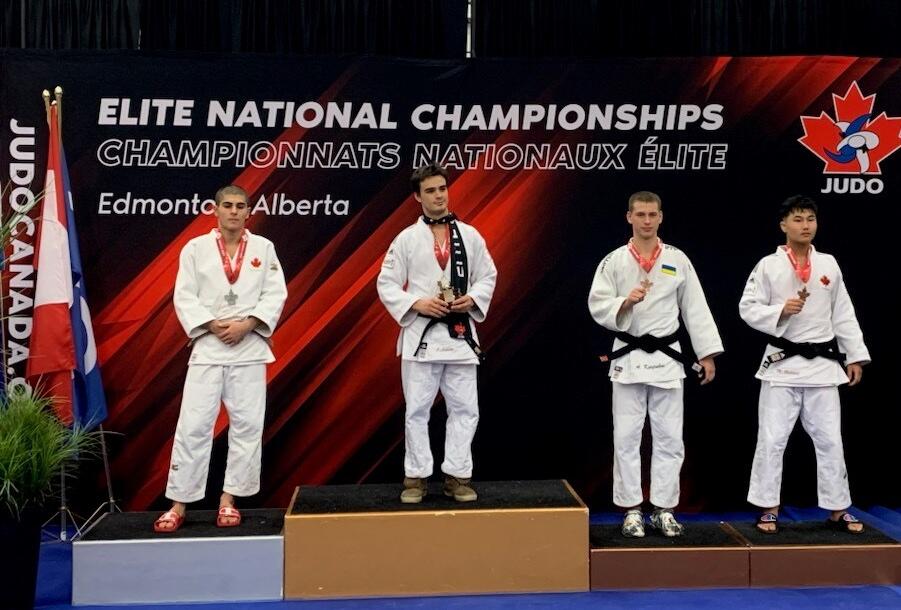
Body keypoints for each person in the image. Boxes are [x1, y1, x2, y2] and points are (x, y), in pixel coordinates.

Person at [588, 191, 723, 537]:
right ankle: (631, 509)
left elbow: (695, 307)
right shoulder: (614, 261)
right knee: (627, 437)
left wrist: (706, 353)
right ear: (628, 217)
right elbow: (597, 304)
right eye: (640, 214)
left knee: (668, 438)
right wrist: (624, 302)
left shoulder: (677, 259)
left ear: (661, 217)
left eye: (652, 215)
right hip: (628, 357)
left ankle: (664, 508)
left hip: (667, 358)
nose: (647, 221)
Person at [154, 184, 287, 532]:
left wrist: (248, 325)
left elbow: (276, 293)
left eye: (240, 206)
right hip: (209, 346)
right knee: (194, 425)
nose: (233, 211)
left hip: (249, 347)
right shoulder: (195, 249)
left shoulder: (263, 248)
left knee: (246, 426)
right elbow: (184, 295)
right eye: (227, 205)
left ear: (248, 211)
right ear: (215, 209)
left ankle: (229, 499)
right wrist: (212, 324)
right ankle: (179, 504)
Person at [739, 195, 869, 534]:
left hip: (823, 365)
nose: (805, 225)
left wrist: (853, 355)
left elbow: (843, 312)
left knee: (830, 440)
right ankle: (769, 508)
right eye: (798, 219)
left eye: (810, 219)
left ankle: (839, 509)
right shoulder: (768, 265)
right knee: (772, 438)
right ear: (784, 225)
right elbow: (747, 307)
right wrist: (780, 311)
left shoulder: (828, 263)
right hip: (782, 365)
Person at [377, 163, 497, 503]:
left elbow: (488, 275)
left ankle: (458, 476)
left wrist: (471, 298)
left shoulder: (470, 235)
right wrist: (417, 303)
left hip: (460, 336)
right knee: (417, 408)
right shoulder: (406, 239)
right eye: (430, 190)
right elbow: (385, 284)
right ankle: (415, 477)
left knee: (465, 408)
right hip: (422, 336)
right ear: (418, 197)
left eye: (442, 188)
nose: (438, 195)